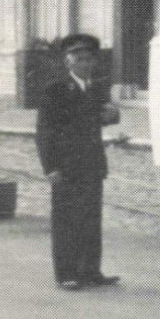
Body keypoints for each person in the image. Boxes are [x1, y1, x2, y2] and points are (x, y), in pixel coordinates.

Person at [36, 34, 120, 290]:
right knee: (66, 221)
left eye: (89, 59)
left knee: (90, 219)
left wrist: (113, 116)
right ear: (67, 62)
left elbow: (101, 118)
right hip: (65, 167)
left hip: (92, 165)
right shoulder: (55, 89)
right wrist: (50, 168)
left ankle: (91, 271)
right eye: (79, 59)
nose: (85, 64)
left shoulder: (96, 88)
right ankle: (67, 274)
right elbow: (44, 131)